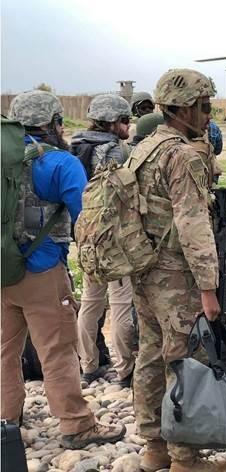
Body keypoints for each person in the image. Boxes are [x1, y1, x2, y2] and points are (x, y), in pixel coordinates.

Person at [1, 90, 126, 449]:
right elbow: (86, 220)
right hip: (42, 272)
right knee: (57, 350)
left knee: (5, 350)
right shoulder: (60, 163)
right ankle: (76, 424)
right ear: (54, 122)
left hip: (3, 269)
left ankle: (7, 421)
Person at [128, 68, 226, 472]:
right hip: (175, 275)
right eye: (204, 107)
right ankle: (185, 459)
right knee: (186, 360)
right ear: (185, 109)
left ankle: (154, 448)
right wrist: (208, 287)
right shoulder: (182, 155)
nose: (208, 115)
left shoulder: (144, 148)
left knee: (151, 355)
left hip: (144, 270)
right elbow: (193, 224)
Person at [70, 94, 138, 387]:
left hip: (86, 236)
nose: (128, 125)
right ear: (111, 122)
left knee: (90, 303)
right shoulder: (118, 152)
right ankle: (125, 371)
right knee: (121, 303)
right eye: (124, 120)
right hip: (115, 239)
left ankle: (88, 365)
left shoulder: (75, 146)